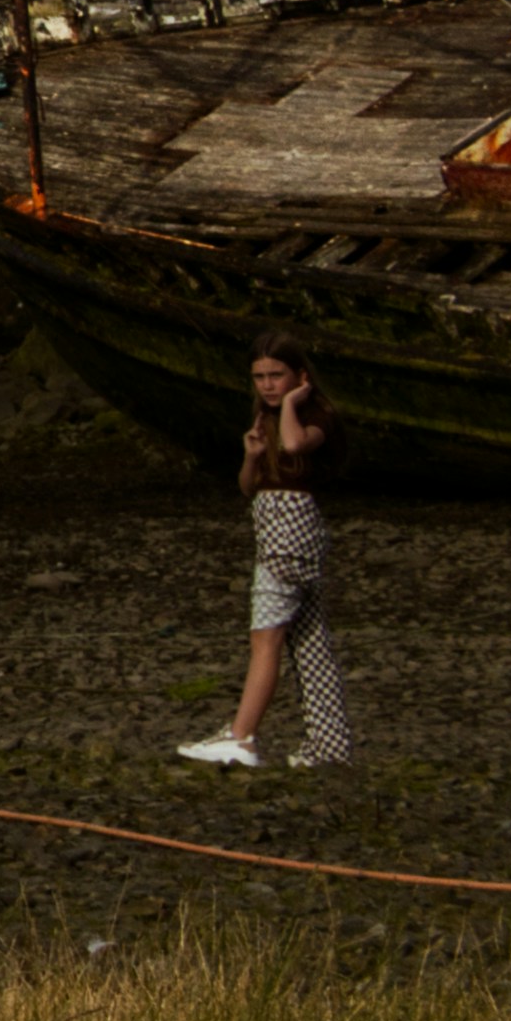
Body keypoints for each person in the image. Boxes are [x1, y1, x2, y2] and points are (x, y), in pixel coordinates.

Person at [179, 329, 353, 769]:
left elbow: (297, 446)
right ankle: (329, 746)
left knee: (266, 635)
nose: (268, 385)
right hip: (273, 525)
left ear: (300, 376)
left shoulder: (315, 416)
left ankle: (242, 737)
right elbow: (249, 487)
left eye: (277, 375)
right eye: (260, 377)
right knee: (308, 640)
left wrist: (293, 404)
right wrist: (253, 454)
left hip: (291, 533)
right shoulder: (265, 417)